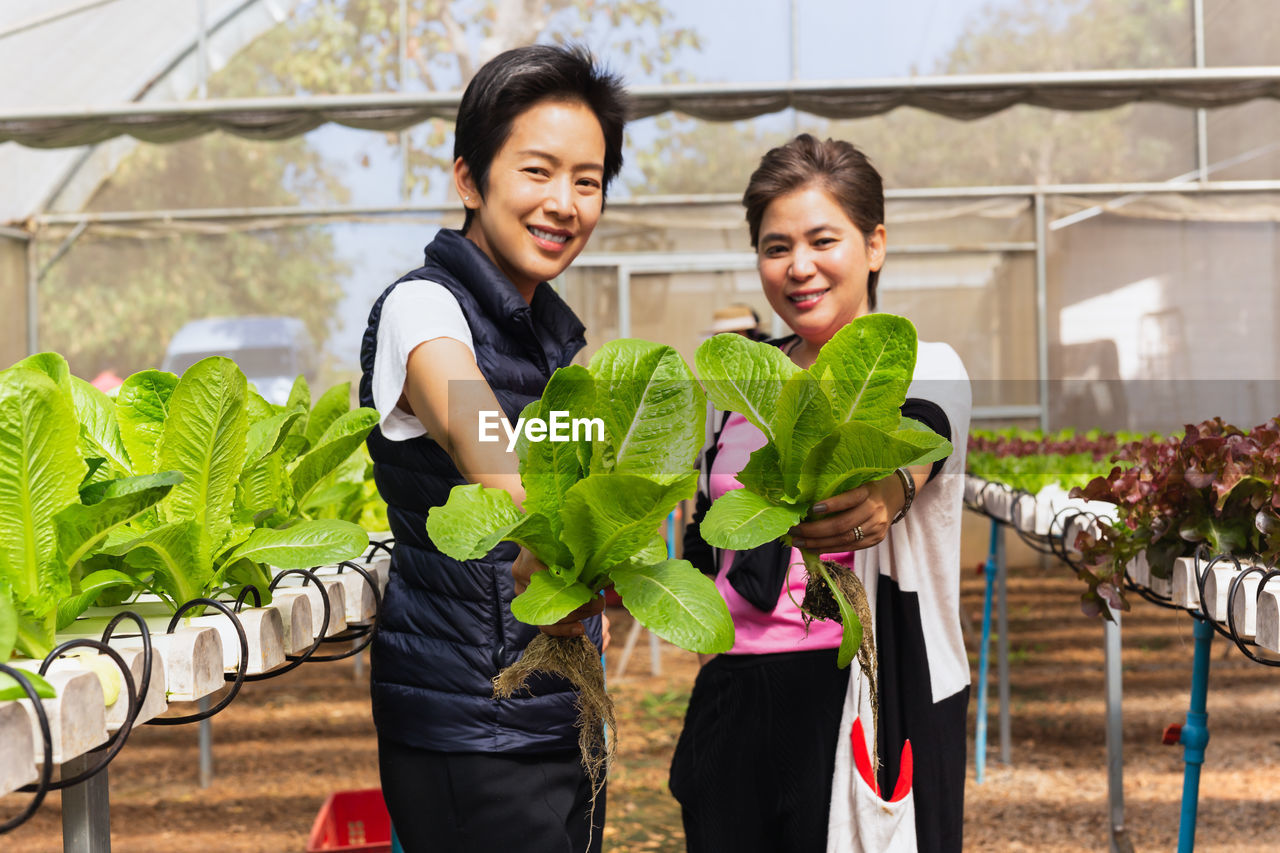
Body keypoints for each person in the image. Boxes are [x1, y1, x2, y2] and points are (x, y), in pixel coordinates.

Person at [357, 44, 627, 853]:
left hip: (560, 718)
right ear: (470, 180)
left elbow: (605, 495)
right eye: (537, 172)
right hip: (472, 730)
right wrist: (554, 541)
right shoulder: (423, 308)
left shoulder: (561, 343)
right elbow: (491, 453)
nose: (565, 203)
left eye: (588, 180)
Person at [670, 134, 972, 853]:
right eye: (776, 247)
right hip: (732, 699)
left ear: (874, 245)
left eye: (822, 240)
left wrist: (888, 488)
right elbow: (708, 532)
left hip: (863, 691)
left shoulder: (925, 367)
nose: (798, 267)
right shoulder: (741, 383)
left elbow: (918, 439)